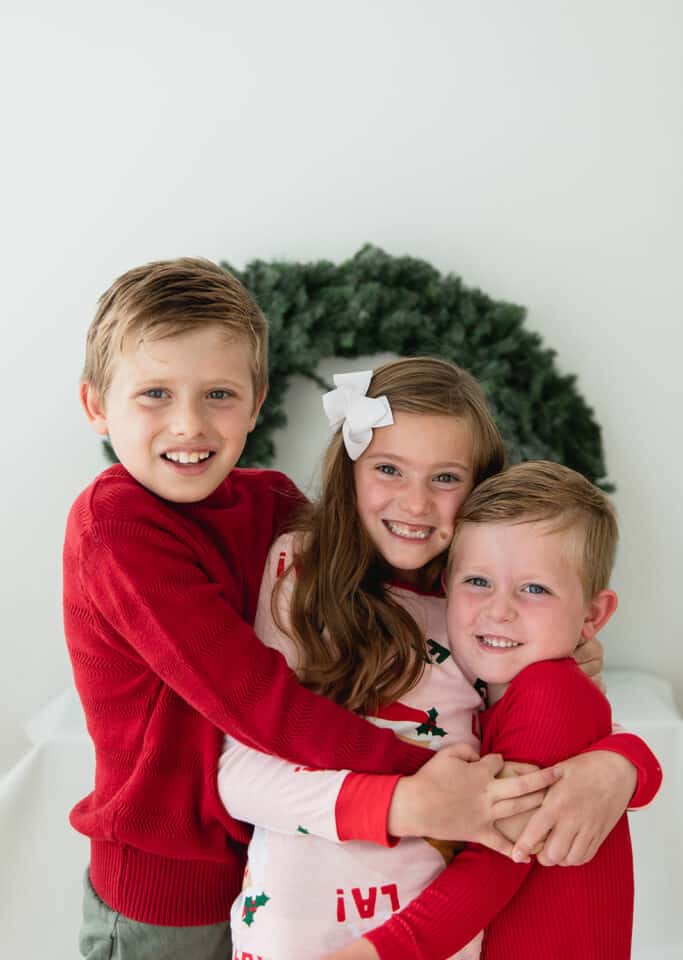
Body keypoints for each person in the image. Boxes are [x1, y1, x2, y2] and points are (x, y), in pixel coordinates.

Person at [65, 259, 560, 960]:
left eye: (218, 394)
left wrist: (535, 626)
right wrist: (419, 777)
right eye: (154, 393)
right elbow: (255, 700)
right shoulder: (116, 525)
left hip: (264, 859)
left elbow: (379, 557)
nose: (189, 423)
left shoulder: (266, 504)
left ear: (256, 399)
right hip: (161, 887)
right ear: (95, 406)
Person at [217, 366, 662, 960]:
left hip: (431, 929)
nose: (416, 502)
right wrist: (402, 804)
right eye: (388, 469)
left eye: (446, 477)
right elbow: (240, 774)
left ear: (479, 486)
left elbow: (553, 732)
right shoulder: (301, 572)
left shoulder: (482, 605)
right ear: (350, 469)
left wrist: (622, 765)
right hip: (293, 928)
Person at [331, 461, 660, 960]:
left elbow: (497, 861)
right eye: (478, 582)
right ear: (445, 587)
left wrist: (380, 952)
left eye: (534, 589)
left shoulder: (550, 691)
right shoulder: (487, 691)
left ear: (592, 616)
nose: (499, 609)